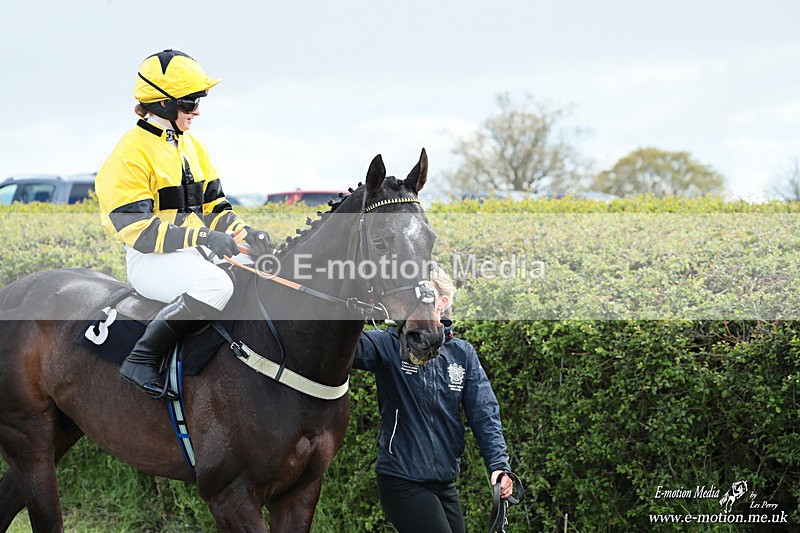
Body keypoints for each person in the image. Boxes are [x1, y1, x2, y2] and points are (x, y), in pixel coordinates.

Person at [95, 49, 271, 399]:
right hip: (152, 259)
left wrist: (243, 232)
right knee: (215, 287)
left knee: (263, 266)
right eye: (190, 102)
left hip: (196, 250)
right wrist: (203, 236)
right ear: (163, 104)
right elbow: (138, 231)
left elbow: (215, 205)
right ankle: (141, 359)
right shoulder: (129, 154)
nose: (197, 111)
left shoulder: (193, 147)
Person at [352, 264, 515, 533]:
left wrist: (499, 465)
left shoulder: (462, 354)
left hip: (444, 482)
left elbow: (484, 413)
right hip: (402, 479)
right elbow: (345, 349)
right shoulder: (388, 344)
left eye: (424, 293)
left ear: (443, 302)